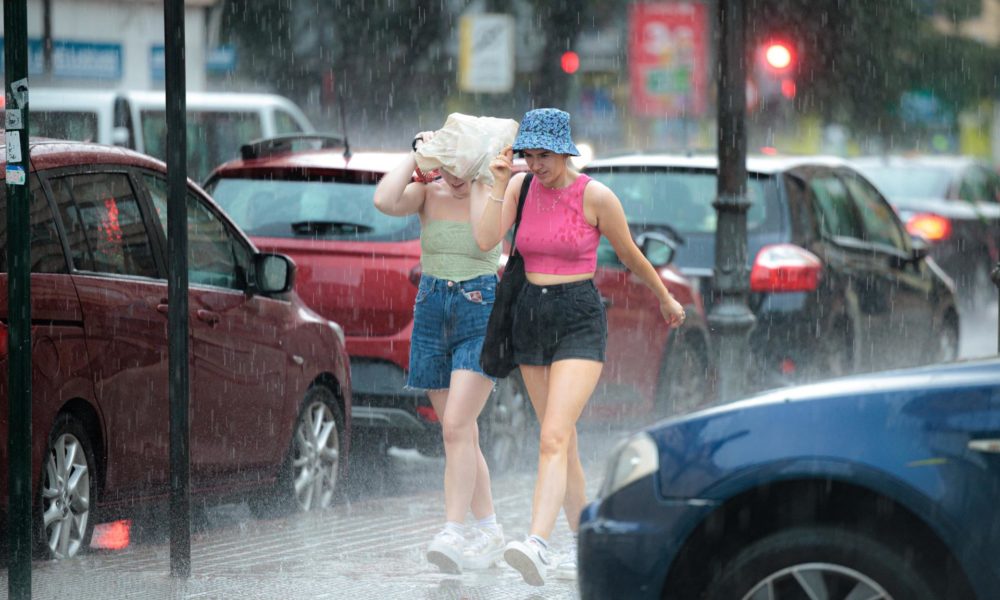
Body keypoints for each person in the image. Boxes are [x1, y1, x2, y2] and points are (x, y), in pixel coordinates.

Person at [472, 108, 685, 586]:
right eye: (529, 154)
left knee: (552, 436)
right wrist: (497, 182)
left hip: (578, 316)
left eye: (543, 155)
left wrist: (665, 298)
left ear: (564, 150)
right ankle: (589, 546)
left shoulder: (595, 196)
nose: (536, 163)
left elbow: (630, 254)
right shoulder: (518, 187)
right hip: (529, 313)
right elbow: (486, 239)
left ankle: (538, 543)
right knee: (561, 441)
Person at [373, 128, 506, 574]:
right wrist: (417, 154)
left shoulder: (491, 194)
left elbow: (487, 239)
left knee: (455, 426)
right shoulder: (426, 193)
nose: (451, 177)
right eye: (445, 167)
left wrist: (478, 180)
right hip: (431, 311)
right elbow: (384, 201)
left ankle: (453, 529)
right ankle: (489, 530)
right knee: (462, 434)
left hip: (478, 312)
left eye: (459, 168)